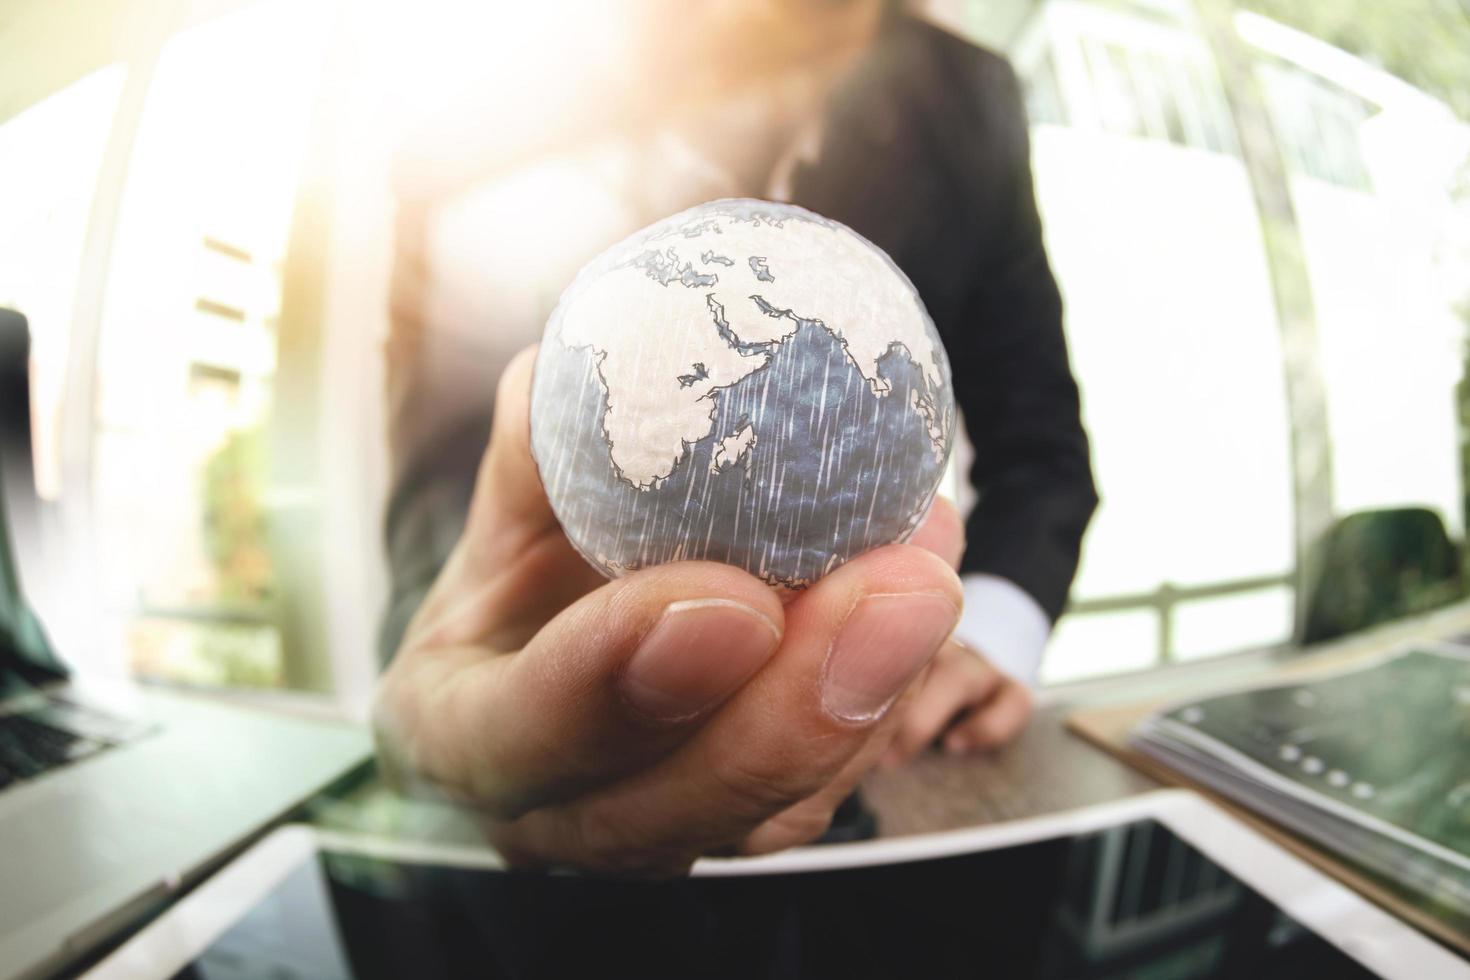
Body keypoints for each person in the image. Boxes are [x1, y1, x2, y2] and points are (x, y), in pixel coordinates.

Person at [374, 0, 1096, 873]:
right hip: (553, 816)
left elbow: (1042, 449)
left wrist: (988, 635)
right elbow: (444, 489)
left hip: (885, 788)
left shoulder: (965, 93)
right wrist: (458, 675)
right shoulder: (479, 110)